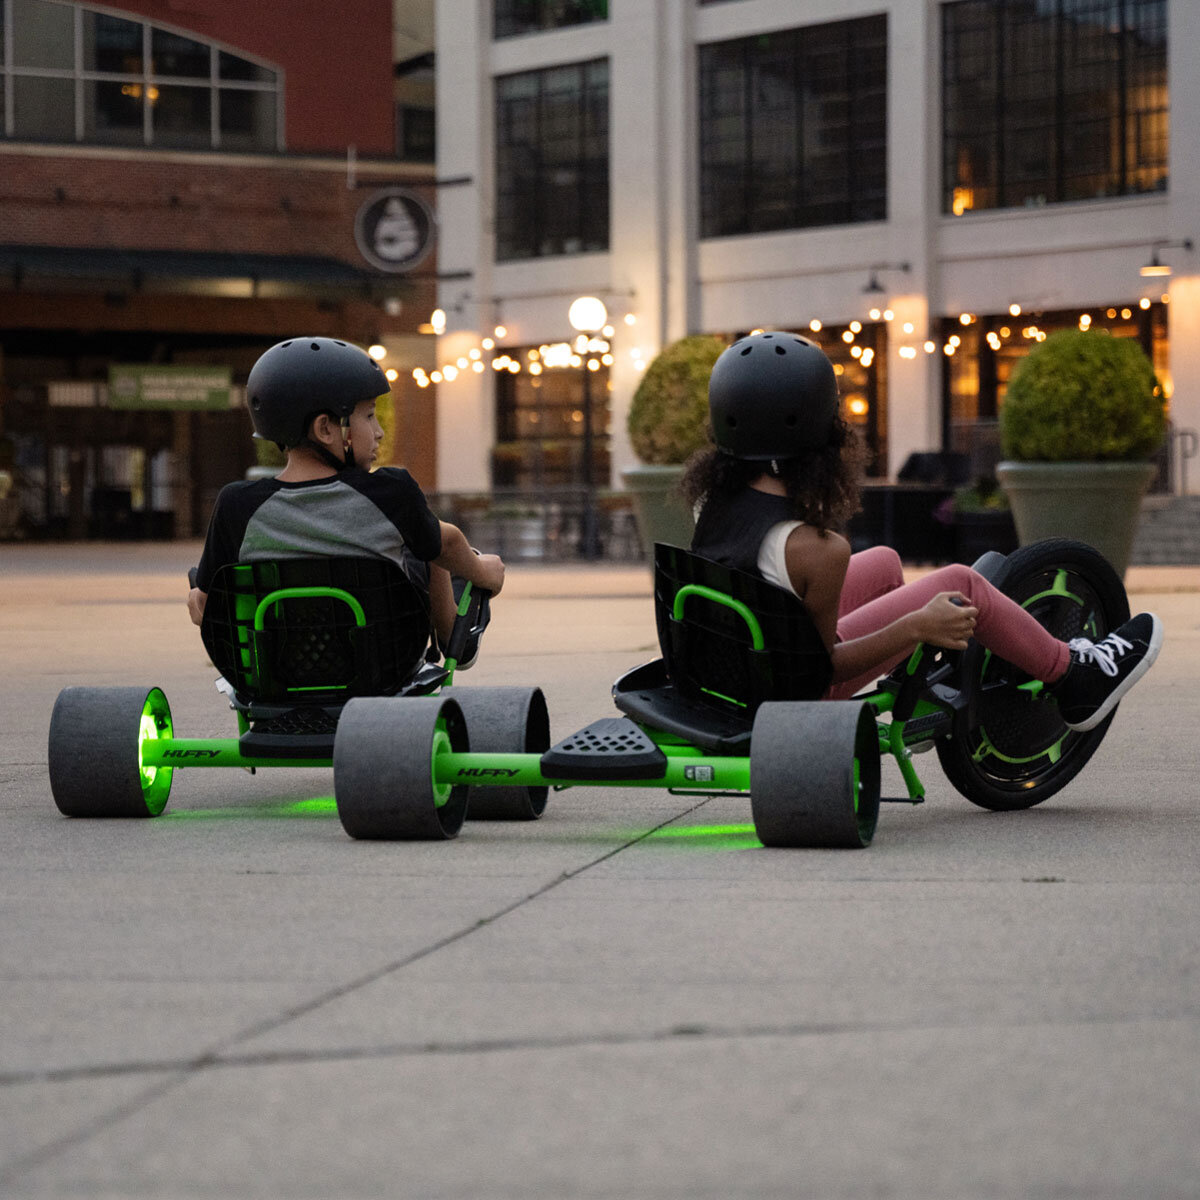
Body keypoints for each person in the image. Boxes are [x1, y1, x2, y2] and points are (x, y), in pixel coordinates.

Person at [682, 330, 1162, 732]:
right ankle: (1073, 677)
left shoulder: (712, 502)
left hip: (738, 665)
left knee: (886, 562)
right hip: (792, 693)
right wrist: (916, 625)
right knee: (962, 583)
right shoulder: (814, 550)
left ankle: (920, 676)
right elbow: (823, 670)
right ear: (822, 436)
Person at [187, 337, 504, 666]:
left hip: (277, 673)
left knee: (203, 581)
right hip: (384, 668)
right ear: (325, 428)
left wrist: (200, 596)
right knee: (431, 546)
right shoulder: (390, 492)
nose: (379, 431)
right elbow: (449, 544)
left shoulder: (236, 505)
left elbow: (205, 606)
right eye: (369, 416)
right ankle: (453, 637)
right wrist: (483, 572)